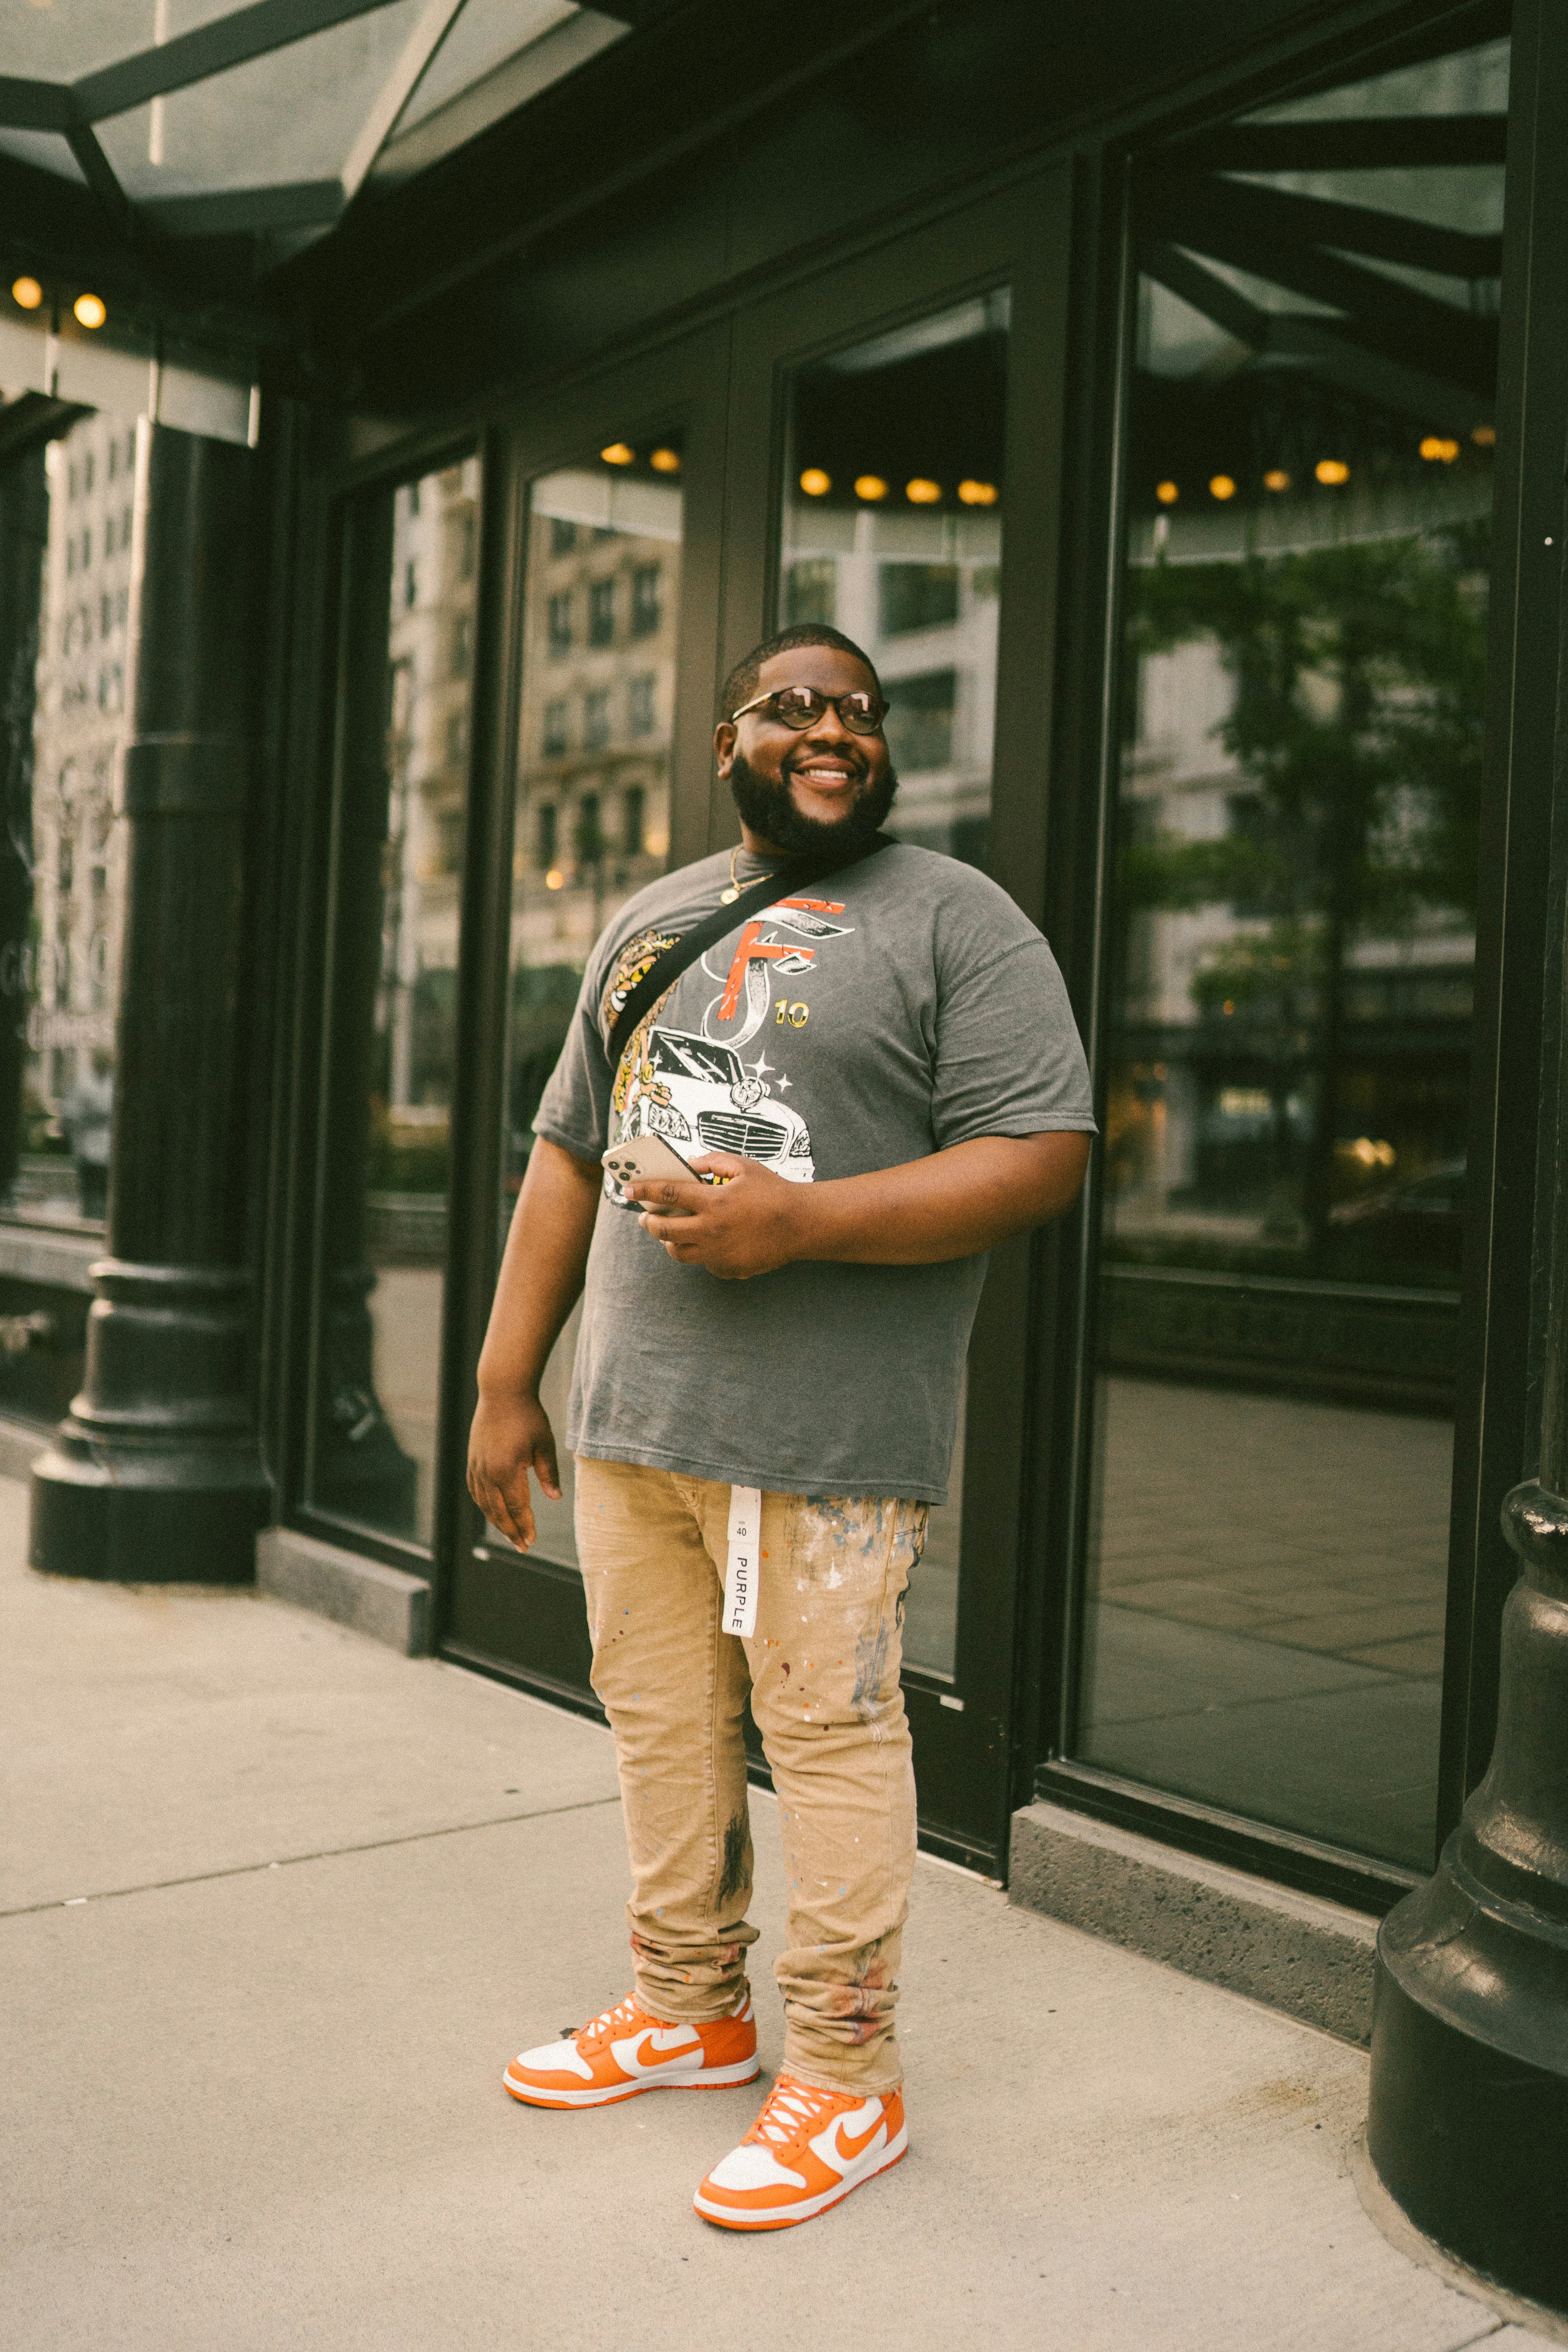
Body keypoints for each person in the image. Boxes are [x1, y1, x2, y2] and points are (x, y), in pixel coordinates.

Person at [468, 623, 1094, 2231]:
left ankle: (846, 2076)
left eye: (862, 712)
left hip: (823, 1439)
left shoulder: (960, 919)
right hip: (632, 1422)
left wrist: (799, 1226)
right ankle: (690, 2008)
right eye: (795, 706)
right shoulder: (650, 918)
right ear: (728, 737)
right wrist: (500, 1380)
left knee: (824, 1736)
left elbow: (1039, 1151)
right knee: (661, 1721)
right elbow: (561, 1155)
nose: (836, 729)